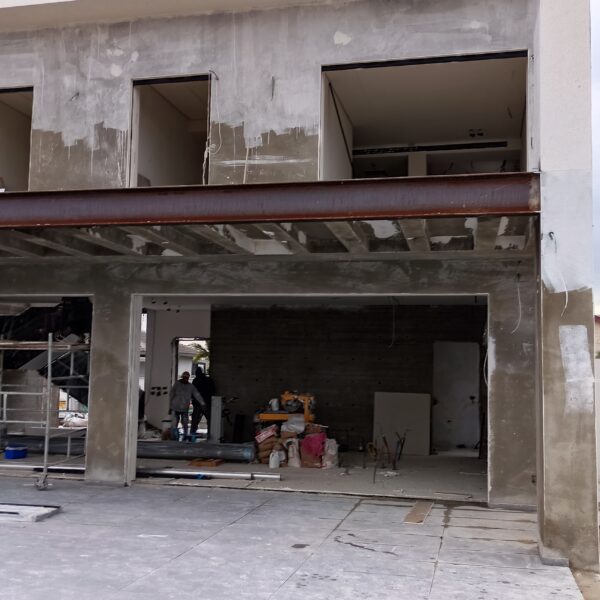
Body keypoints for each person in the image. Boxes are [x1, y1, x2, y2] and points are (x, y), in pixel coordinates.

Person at [169, 371, 203, 441]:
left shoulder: (190, 386)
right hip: (175, 407)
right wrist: (170, 407)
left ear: (188, 378)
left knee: (185, 423)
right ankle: (174, 436)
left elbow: (197, 395)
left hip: (184, 408)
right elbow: (171, 395)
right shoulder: (177, 384)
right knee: (174, 423)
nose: (185, 379)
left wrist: (202, 403)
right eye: (184, 377)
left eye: (187, 378)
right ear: (182, 377)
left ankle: (185, 436)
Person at [192, 365, 216, 440]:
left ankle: (192, 435)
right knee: (210, 421)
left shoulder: (195, 381)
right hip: (207, 403)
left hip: (198, 404)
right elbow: (213, 390)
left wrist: (193, 400)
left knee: (195, 421)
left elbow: (193, 392)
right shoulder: (209, 380)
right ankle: (210, 435)